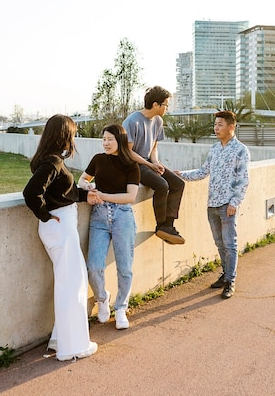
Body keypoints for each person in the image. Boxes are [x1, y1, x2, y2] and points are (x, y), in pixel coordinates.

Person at [23, 114, 100, 361]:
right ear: (65, 135)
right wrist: (46, 215)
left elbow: (60, 191)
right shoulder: (53, 162)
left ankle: (61, 339)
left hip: (59, 226)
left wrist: (83, 195)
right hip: (59, 227)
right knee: (72, 285)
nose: (74, 138)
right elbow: (32, 192)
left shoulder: (49, 160)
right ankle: (73, 347)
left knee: (68, 282)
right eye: (73, 133)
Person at [176, 111, 250, 299]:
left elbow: (243, 180)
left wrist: (234, 202)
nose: (216, 128)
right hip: (212, 204)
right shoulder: (215, 149)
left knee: (230, 243)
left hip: (228, 205)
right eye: (215, 124)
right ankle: (225, 273)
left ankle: (230, 281)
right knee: (219, 243)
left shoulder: (241, 150)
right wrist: (181, 175)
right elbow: (203, 172)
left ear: (231, 127)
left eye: (220, 125)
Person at [78, 124, 140, 330]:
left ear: (120, 141)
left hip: (123, 217)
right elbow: (82, 180)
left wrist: (102, 195)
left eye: (110, 139)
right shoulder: (98, 159)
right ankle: (102, 299)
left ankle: (121, 307)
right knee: (93, 266)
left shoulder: (131, 164)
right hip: (99, 218)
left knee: (125, 267)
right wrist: (89, 187)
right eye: (104, 139)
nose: (106, 143)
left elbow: (130, 197)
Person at [122, 86, 186, 244]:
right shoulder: (132, 121)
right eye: (166, 105)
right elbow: (128, 152)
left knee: (178, 183)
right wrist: (149, 165)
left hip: (149, 162)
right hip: (133, 164)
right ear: (156, 105)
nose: (167, 108)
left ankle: (168, 225)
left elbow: (154, 148)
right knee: (162, 185)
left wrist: (156, 163)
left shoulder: (158, 121)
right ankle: (160, 226)